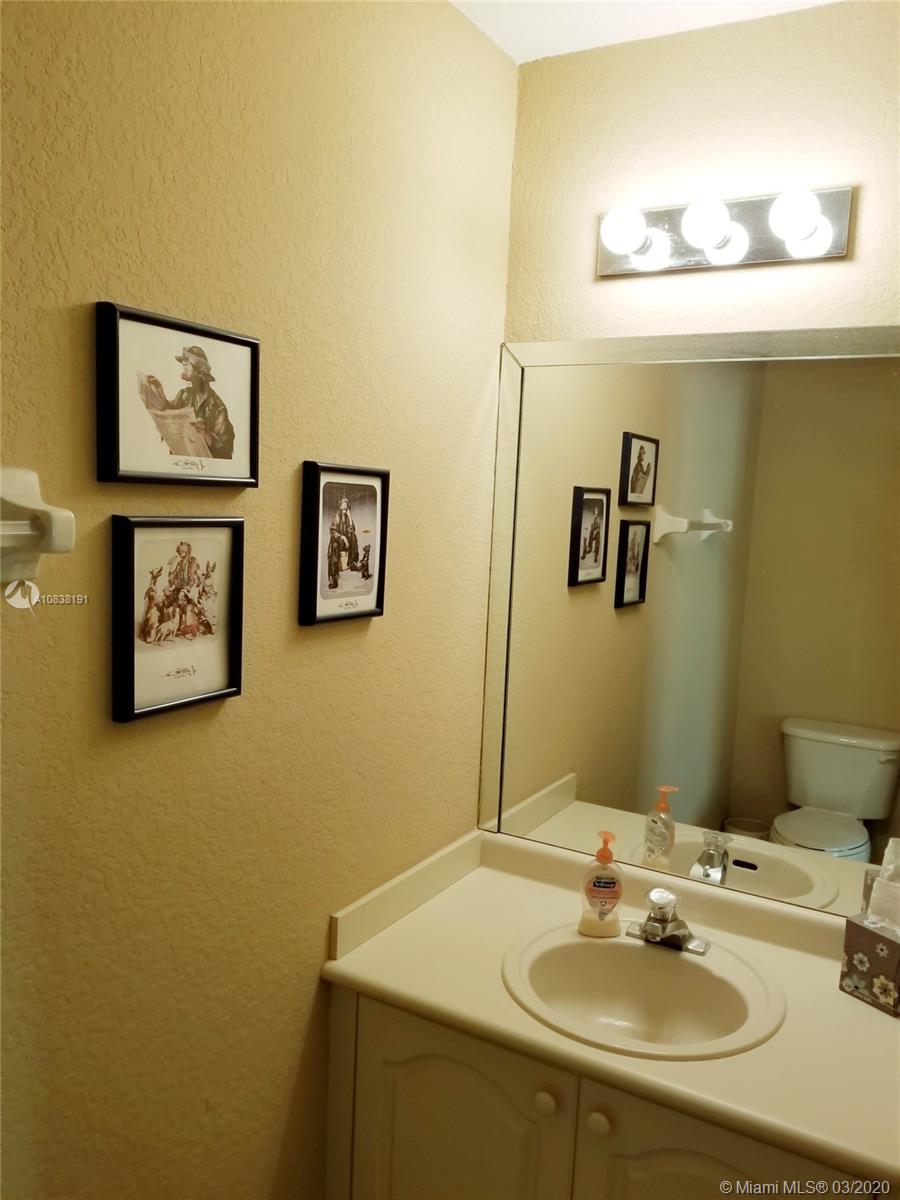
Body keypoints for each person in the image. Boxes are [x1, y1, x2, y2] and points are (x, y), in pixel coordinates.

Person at [167, 345, 235, 460]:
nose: (182, 375)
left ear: (200, 373)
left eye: (186, 366)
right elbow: (167, 415)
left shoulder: (218, 407)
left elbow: (226, 452)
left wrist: (206, 434)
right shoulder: (183, 396)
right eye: (183, 366)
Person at [327, 497, 359, 589]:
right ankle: (334, 578)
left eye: (346, 504)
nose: (345, 506)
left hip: (345, 543)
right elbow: (332, 531)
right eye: (343, 504)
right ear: (340, 506)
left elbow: (352, 530)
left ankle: (351, 562)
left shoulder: (348, 517)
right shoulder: (336, 516)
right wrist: (343, 537)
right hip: (337, 541)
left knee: (354, 537)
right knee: (334, 546)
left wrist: (350, 518)